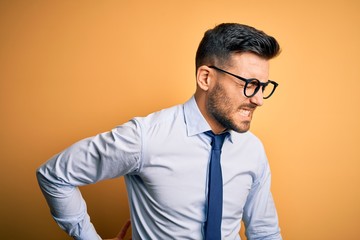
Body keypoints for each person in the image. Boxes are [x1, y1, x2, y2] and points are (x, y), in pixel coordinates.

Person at [37, 23, 282, 240]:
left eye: (263, 86)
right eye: (249, 85)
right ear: (206, 78)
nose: (259, 100)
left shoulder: (252, 150)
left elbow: (265, 231)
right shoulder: (146, 138)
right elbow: (55, 175)